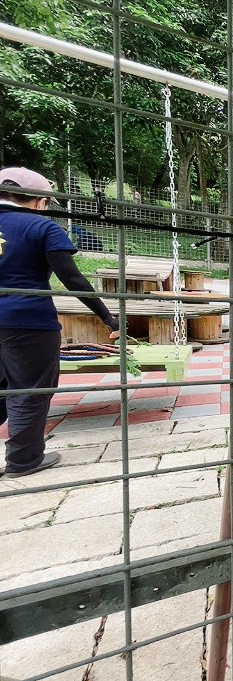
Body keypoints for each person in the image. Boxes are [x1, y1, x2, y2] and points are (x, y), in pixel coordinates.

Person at [0, 167, 119, 478]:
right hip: (27, 321)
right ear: (39, 200)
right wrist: (107, 317)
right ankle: (23, 460)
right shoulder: (41, 227)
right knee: (30, 389)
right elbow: (72, 278)